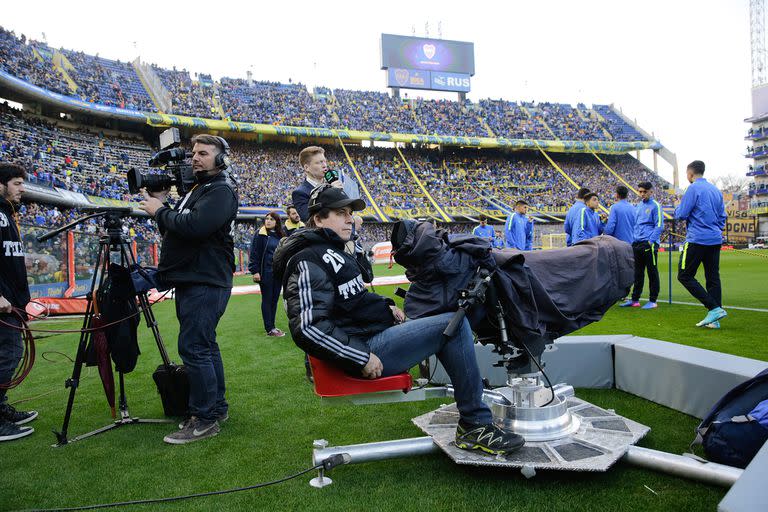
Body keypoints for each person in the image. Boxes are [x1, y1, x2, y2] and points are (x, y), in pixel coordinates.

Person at [274, 185, 525, 456]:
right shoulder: (308, 259)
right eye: (340, 213)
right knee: (453, 323)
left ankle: (471, 398)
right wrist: (360, 357)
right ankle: (475, 424)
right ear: (319, 219)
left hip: (368, 336)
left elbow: (352, 300)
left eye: (350, 213)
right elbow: (308, 327)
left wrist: (386, 306)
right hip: (365, 349)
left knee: (447, 317)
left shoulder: (332, 250)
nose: (349, 219)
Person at [139, 134, 238, 444]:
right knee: (204, 346)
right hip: (195, 278)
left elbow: (195, 227)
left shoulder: (220, 190)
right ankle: (216, 409)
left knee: (195, 348)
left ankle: (205, 418)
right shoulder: (199, 189)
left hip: (205, 280)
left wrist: (160, 210)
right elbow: (176, 228)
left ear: (220, 160)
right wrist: (163, 210)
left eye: (204, 153)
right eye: (194, 152)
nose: (195, 157)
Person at [0, 163, 38, 442]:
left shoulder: (6, 215)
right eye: (16, 183)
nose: (22, 189)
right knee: (7, 355)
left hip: (13, 300)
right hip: (3, 302)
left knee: (9, 355)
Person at [675, 160, 728, 328]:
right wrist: (715, 229)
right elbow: (722, 217)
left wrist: (678, 207)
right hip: (714, 239)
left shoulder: (693, 188)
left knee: (684, 275)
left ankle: (713, 308)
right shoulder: (715, 190)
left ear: (690, 174)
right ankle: (715, 319)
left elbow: (682, 214)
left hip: (697, 239)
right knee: (712, 277)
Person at [620, 182, 663, 309]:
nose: (642, 194)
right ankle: (635, 300)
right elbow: (636, 225)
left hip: (648, 243)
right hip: (637, 243)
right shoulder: (638, 206)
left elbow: (659, 225)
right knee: (637, 273)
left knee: (652, 272)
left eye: (645, 191)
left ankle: (653, 300)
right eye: (640, 191)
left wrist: (650, 241)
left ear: (651, 191)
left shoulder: (655, 206)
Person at [292, 146, 359, 222]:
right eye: (319, 162)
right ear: (307, 168)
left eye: (324, 161)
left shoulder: (331, 184)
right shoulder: (300, 192)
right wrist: (330, 193)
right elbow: (307, 217)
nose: (324, 165)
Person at [249, 211, 285, 337]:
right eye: (267, 218)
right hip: (266, 273)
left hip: (278, 273)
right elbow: (254, 254)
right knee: (267, 299)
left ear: (277, 222)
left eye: (271, 219)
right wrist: (255, 271)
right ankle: (269, 329)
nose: (268, 221)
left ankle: (273, 326)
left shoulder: (280, 235)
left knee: (274, 300)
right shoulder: (260, 234)